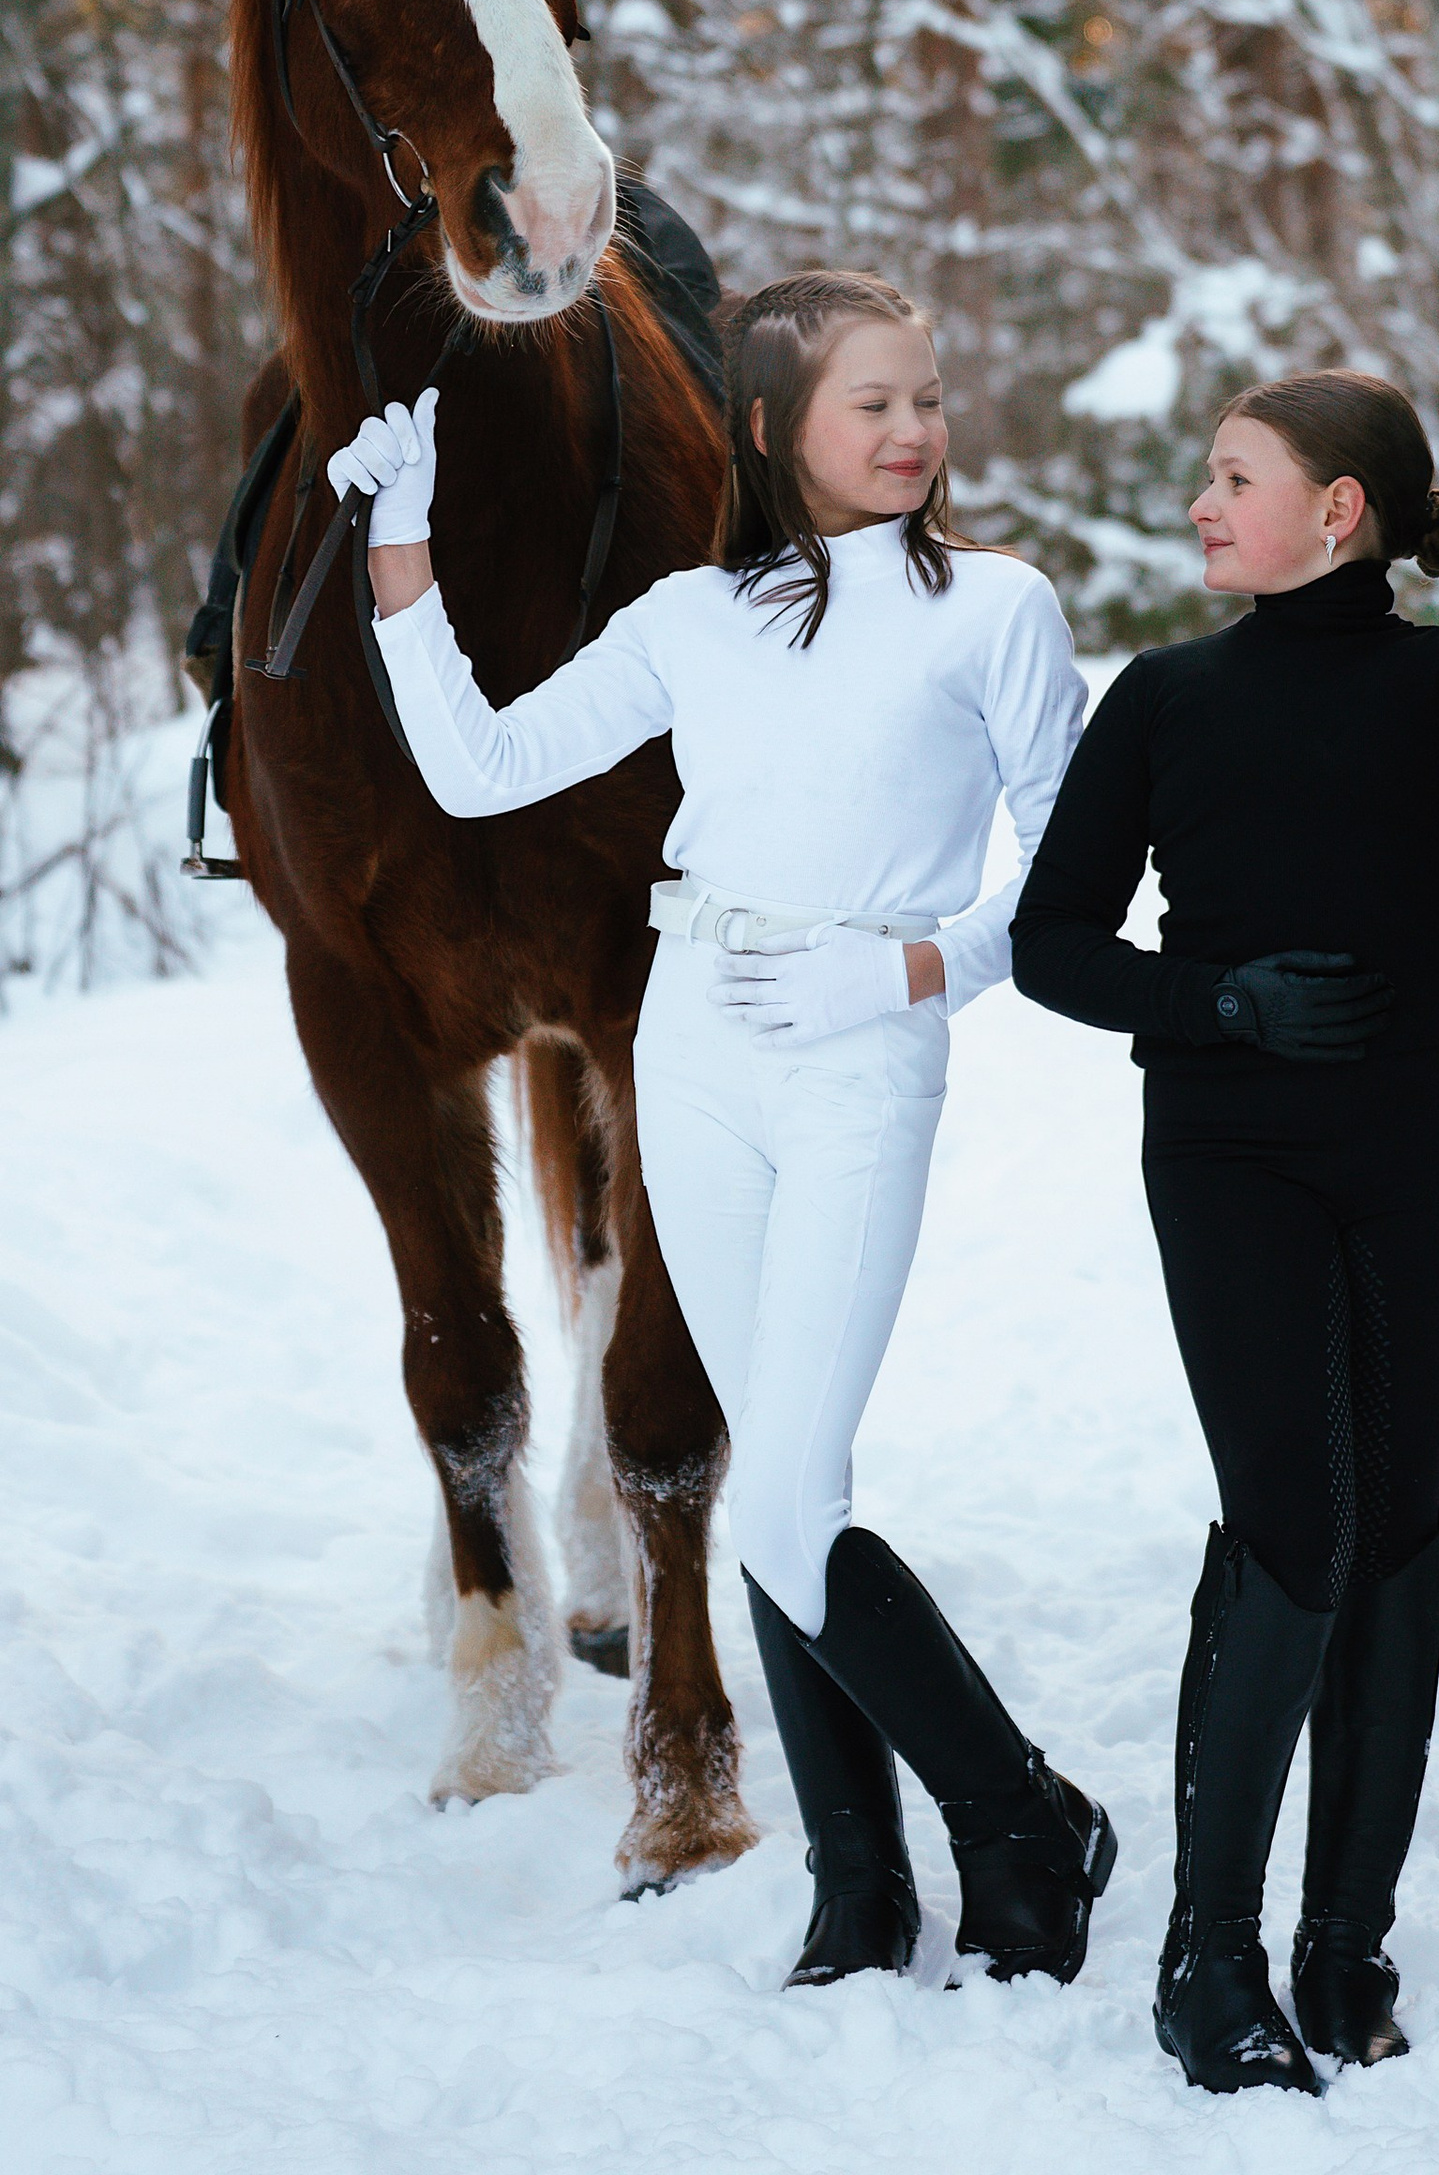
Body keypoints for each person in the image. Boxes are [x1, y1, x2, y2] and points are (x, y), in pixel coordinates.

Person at [327, 269, 1114, 1993]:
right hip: (694, 1040)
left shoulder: (996, 607)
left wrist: (912, 971)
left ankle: (1020, 1817)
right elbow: (476, 767)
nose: (913, 431)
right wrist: (401, 550)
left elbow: (1071, 875)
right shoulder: (692, 618)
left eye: (926, 399)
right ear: (770, 431)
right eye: (872, 404)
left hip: (859, 1052)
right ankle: (859, 1884)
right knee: (779, 1489)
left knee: (790, 1496)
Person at [1009, 373, 1439, 2094]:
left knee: (1392, 1535)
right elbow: (1052, 943)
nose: (1200, 505)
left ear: (1338, 511)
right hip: (1228, 1153)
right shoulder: (1164, 698)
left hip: (1420, 1151)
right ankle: (1208, 1960)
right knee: (1292, 1528)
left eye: (1233, 478)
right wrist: (1222, 1001)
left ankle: (1344, 1939)